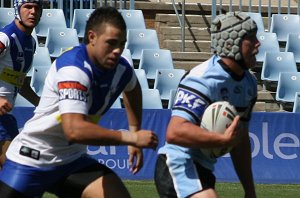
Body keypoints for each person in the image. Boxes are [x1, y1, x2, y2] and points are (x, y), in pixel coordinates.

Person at [0, 6, 158, 198]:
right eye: (111, 43)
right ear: (91, 37)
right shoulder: (73, 68)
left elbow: (133, 89)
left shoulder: (121, 69)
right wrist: (130, 138)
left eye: (122, 44)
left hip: (71, 161)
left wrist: (135, 128)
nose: (117, 51)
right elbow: (74, 130)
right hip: (32, 158)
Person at [154, 11, 259, 198]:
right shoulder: (201, 79)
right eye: (250, 38)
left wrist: (249, 190)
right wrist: (222, 140)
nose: (258, 44)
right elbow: (175, 132)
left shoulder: (249, 85)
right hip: (178, 165)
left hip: (203, 170)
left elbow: (240, 141)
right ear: (230, 42)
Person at [0, 0, 42, 169]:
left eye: (37, 8)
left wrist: (42, 105)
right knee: (13, 168)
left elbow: (20, 82)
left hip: (4, 116)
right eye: (27, 7)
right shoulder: (5, 37)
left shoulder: (30, 43)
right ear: (17, 9)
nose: (33, 12)